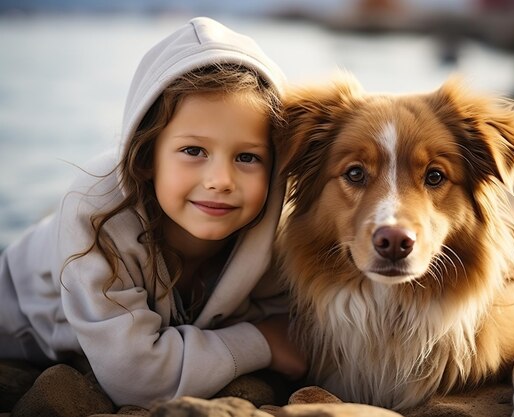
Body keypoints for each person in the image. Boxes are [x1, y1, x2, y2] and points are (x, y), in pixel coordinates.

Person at [0, 17, 305, 408]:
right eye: (194, 151)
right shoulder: (95, 212)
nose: (220, 180)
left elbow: (297, 329)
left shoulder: (275, 231)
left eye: (248, 157)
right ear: (146, 156)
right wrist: (262, 342)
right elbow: (136, 381)